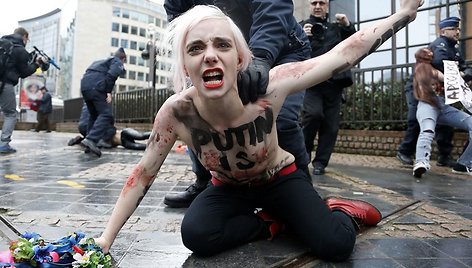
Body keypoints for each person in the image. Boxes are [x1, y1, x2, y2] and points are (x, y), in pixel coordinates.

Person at [95, 2, 423, 260]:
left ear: (238, 59)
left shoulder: (268, 89)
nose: (209, 55)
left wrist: (404, 14)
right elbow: (141, 176)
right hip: (228, 189)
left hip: (279, 179)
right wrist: (105, 240)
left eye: (221, 45)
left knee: (335, 245)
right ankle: (271, 222)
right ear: (185, 66)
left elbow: (341, 56)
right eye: (196, 49)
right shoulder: (176, 114)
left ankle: (337, 210)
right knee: (196, 235)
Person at [163, 0, 312, 208]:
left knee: (280, 118)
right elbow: (179, 22)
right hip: (222, 54)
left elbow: (273, 6)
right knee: (199, 114)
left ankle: (303, 186)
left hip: (280, 49)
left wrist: (260, 56)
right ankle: (204, 181)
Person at [396, 16, 471, 168]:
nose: (457, 32)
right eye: (453, 29)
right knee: (417, 119)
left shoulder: (454, 50)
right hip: (420, 86)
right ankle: (405, 151)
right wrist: (461, 74)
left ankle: (444, 156)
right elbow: (440, 65)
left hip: (440, 90)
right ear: (443, 31)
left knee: (446, 124)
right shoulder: (439, 45)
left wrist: (463, 74)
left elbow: (465, 68)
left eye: (458, 29)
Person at [299, 0, 356, 175]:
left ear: (327, 6)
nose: (317, 6)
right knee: (313, 115)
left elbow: (354, 42)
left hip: (334, 83)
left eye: (321, 3)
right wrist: (301, 36)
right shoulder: (301, 27)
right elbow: (289, 49)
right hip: (311, 82)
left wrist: (347, 25)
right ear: (309, 5)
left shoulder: (336, 28)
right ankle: (304, 151)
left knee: (330, 126)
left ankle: (321, 163)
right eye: (314, 2)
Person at [412, 47, 472, 178]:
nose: (431, 54)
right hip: (428, 104)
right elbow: (444, 79)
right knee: (427, 131)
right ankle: (421, 161)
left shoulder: (428, 68)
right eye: (428, 53)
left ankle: (465, 163)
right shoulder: (424, 68)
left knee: (427, 131)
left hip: (441, 105)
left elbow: (448, 80)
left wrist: (457, 75)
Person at [0, 27, 49, 154]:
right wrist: (37, 64)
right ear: (24, 37)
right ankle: (4, 144)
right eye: (27, 39)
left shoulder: (3, 43)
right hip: (5, 84)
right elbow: (24, 72)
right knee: (11, 114)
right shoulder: (20, 49)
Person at [79, 48, 126, 157]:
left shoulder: (98, 62)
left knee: (94, 115)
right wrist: (108, 91)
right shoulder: (117, 61)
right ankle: (91, 139)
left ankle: (89, 144)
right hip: (96, 87)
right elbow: (112, 74)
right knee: (106, 114)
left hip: (85, 87)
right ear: (123, 59)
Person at [68, 104, 150, 150]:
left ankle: (159, 137)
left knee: (141, 137)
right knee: (142, 137)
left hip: (121, 136)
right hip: (121, 137)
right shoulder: (100, 134)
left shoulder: (97, 134)